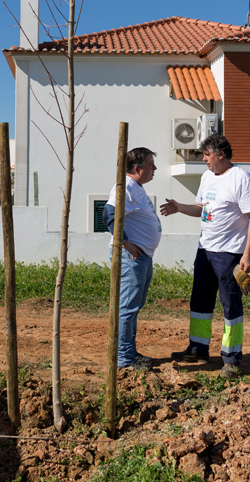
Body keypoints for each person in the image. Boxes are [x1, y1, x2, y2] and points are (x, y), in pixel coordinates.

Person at [160, 134, 250, 378]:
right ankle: (197, 349)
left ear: (221, 154)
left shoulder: (240, 178)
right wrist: (179, 208)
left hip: (229, 254)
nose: (204, 159)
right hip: (205, 250)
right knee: (200, 302)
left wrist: (247, 255)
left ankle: (231, 359)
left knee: (230, 305)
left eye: (207, 154)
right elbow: (202, 209)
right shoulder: (207, 177)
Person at [103, 147, 162, 371]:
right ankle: (124, 359)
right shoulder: (125, 186)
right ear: (137, 169)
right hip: (131, 257)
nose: (154, 169)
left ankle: (129, 352)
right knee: (127, 308)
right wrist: (125, 241)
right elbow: (109, 214)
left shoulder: (136, 187)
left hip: (142, 257)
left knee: (133, 307)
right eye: (150, 165)